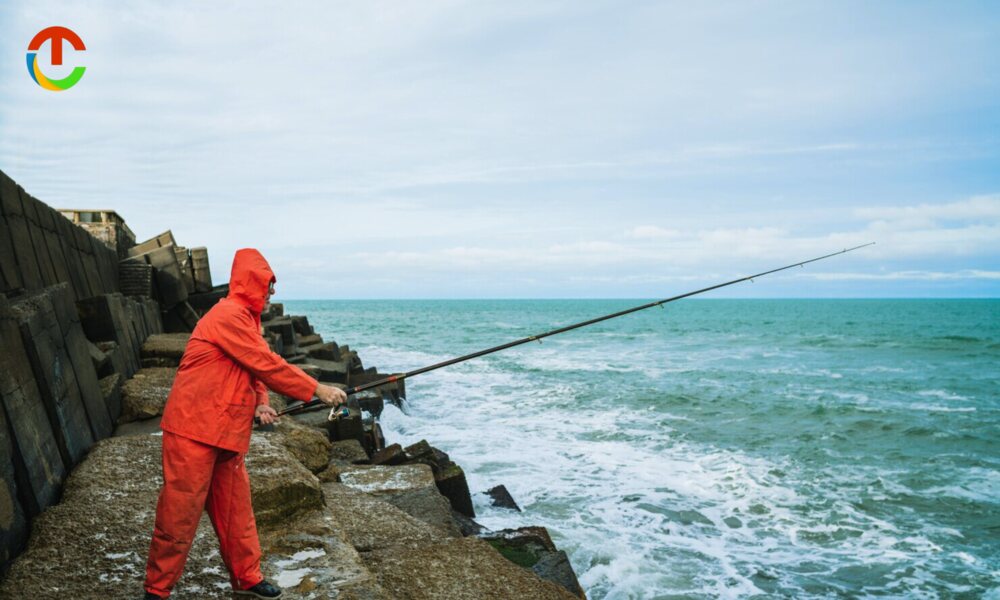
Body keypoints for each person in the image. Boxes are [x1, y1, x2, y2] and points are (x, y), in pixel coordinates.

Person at [142, 248, 345, 599]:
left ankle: (247, 577)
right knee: (179, 515)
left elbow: (252, 369)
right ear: (250, 283)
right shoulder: (228, 315)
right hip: (193, 429)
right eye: (267, 285)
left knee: (237, 513)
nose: (271, 293)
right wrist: (317, 389)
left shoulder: (247, 320)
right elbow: (266, 362)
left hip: (226, 432)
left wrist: (262, 403)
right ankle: (157, 590)